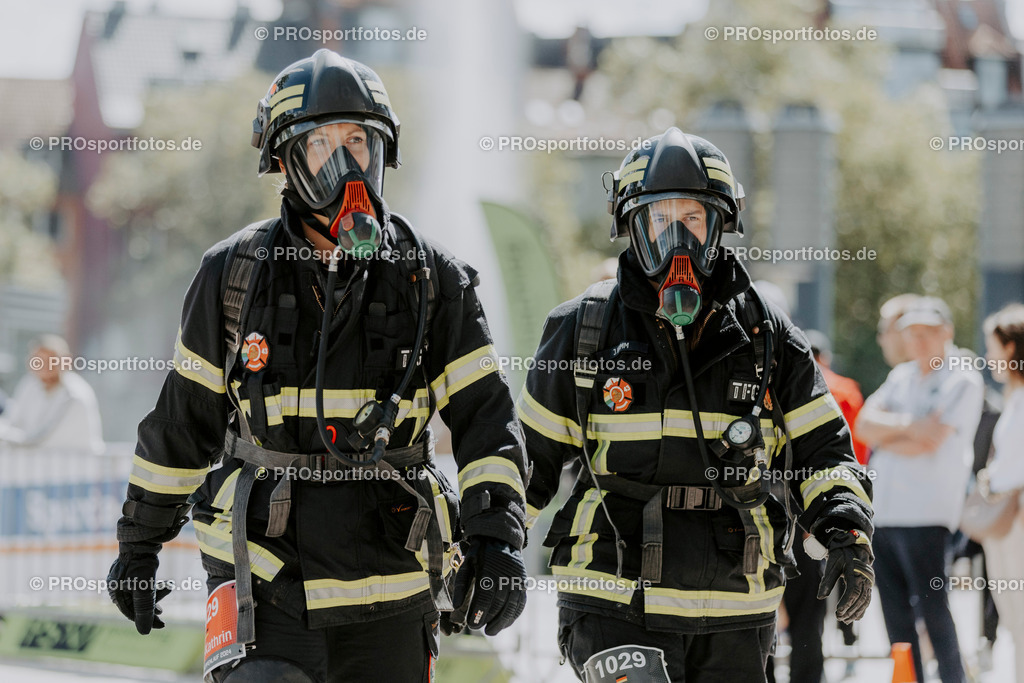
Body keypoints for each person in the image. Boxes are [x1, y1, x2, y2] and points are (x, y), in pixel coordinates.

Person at [107, 50, 529, 682]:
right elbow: (183, 423)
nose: (345, 161)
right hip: (261, 582)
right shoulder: (232, 275)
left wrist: (496, 540)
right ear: (283, 161)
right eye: (321, 143)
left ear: (383, 151)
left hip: (393, 586)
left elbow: (488, 422)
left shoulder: (435, 281)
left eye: (358, 140)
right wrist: (139, 544)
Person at [518, 128, 875, 681]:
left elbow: (824, 450)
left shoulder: (767, 336)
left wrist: (845, 532)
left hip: (735, 606)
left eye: (693, 218)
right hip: (613, 597)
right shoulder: (582, 329)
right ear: (630, 226)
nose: (676, 238)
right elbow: (529, 466)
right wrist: (486, 546)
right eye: (659, 220)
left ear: (720, 225)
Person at [857, 296, 983, 683]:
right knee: (894, 615)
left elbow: (930, 442)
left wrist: (891, 432)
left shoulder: (962, 377)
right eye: (912, 334)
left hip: (927, 514)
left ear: (947, 332)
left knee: (934, 610)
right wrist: (913, 425)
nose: (919, 341)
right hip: (887, 515)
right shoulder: (902, 377)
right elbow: (863, 425)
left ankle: (952, 678)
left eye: (928, 333)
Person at [979, 303, 1024, 682]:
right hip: (1008, 520)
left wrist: (992, 481)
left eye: (992, 347)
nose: (988, 357)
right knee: (1014, 620)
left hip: (1017, 520)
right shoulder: (1014, 399)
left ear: (1010, 348)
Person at [0, 334, 103, 454]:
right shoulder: (30, 384)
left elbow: (40, 439)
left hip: (75, 466)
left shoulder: (74, 394)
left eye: (51, 361)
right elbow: (15, 421)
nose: (44, 368)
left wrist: (5, 434)